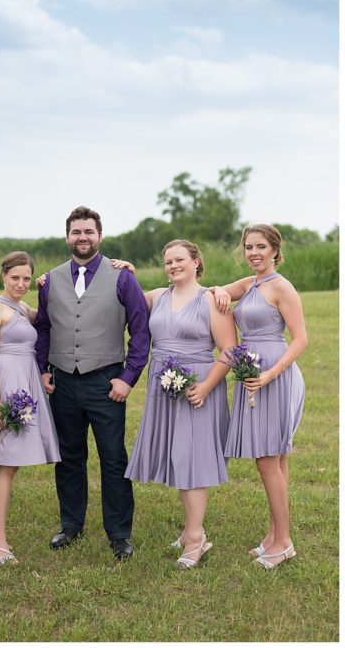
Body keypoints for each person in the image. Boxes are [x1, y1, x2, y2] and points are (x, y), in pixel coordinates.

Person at [33, 205, 150, 560]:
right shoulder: (50, 279)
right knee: (69, 457)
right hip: (64, 382)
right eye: (76, 232)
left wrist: (128, 378)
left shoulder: (122, 277)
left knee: (113, 458)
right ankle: (71, 525)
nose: (82, 237)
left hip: (105, 381)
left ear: (99, 236)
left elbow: (140, 330)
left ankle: (118, 533)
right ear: (67, 236)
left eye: (88, 232)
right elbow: (43, 329)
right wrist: (42, 369)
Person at [124, 240, 236, 568]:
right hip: (163, 385)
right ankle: (189, 531)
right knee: (177, 457)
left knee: (192, 459)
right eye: (168, 261)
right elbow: (124, 302)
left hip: (198, 387)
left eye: (179, 260)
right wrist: (125, 273)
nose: (173, 266)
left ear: (196, 262)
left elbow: (229, 350)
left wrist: (205, 387)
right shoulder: (158, 296)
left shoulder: (212, 300)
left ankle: (198, 537)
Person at [212, 224, 307, 569]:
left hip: (275, 376)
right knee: (274, 460)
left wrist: (269, 373)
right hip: (253, 375)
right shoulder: (251, 284)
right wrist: (219, 291)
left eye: (260, 247)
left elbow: (300, 339)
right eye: (248, 247)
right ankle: (274, 536)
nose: (253, 253)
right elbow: (216, 290)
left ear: (274, 251)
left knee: (268, 459)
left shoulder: (281, 287)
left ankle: (283, 543)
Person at [0, 252, 60, 565]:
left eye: (26, 278)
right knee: (6, 463)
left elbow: (48, 316)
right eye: (14, 278)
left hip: (27, 379)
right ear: (3, 276)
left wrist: (48, 286)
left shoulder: (21, 307)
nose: (20, 284)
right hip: (7, 384)